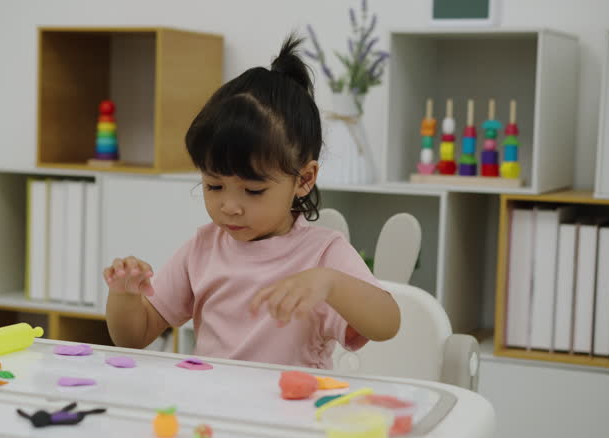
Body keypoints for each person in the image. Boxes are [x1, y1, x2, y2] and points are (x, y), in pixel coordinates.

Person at [104, 34, 400, 369]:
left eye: (253, 190)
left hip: (291, 402)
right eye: (214, 186)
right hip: (213, 400)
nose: (229, 206)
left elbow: (387, 324)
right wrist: (124, 295)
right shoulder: (203, 249)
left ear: (304, 179)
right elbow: (134, 337)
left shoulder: (323, 253)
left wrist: (330, 283)